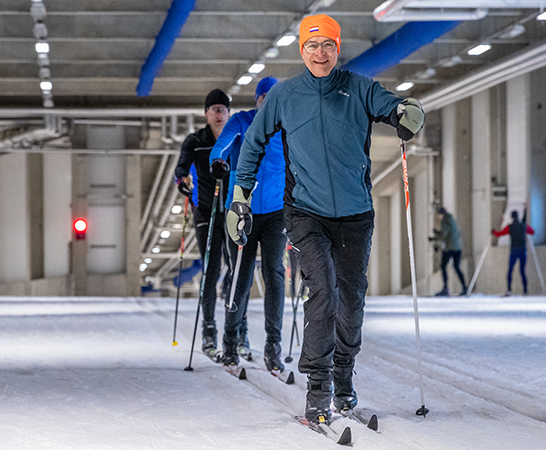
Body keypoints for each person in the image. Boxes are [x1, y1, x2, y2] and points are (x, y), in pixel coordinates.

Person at [227, 14, 425, 425]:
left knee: (351, 300)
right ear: (302, 50)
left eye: (328, 46)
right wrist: (240, 198)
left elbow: (393, 107)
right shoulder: (285, 96)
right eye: (313, 46)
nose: (321, 53)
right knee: (324, 292)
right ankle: (318, 389)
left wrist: (408, 112)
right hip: (304, 212)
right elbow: (253, 143)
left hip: (355, 214)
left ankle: (344, 377)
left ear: (338, 49)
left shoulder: (358, 87)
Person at [209, 77, 287, 371]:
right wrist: (218, 161)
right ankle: (229, 345)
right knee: (240, 276)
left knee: (274, 273)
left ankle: (273, 346)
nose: (267, 102)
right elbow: (221, 146)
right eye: (263, 96)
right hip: (241, 210)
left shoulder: (287, 126)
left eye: (272, 97)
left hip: (276, 212)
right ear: (257, 100)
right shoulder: (242, 122)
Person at [174, 88, 233, 357]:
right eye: (214, 109)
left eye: (223, 109)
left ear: (229, 113)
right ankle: (209, 331)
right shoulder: (196, 140)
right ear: (206, 114)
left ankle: (237, 329)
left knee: (235, 267)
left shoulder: (238, 138)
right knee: (211, 267)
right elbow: (182, 167)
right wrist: (182, 181)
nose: (219, 114)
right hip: (205, 209)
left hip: (233, 209)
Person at [492, 207, 535, 296]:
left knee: (510, 270)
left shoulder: (510, 227)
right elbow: (532, 232)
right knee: (522, 271)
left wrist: (493, 232)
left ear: (512, 217)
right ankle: (525, 290)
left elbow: (500, 234)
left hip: (514, 251)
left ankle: (509, 290)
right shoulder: (524, 226)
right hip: (523, 250)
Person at [430, 207, 467, 296]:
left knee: (443, 266)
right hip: (458, 248)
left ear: (441, 214)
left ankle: (445, 289)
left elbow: (444, 234)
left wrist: (435, 237)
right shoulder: (452, 219)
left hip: (450, 248)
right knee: (457, 267)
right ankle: (464, 287)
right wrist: (438, 233)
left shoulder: (445, 220)